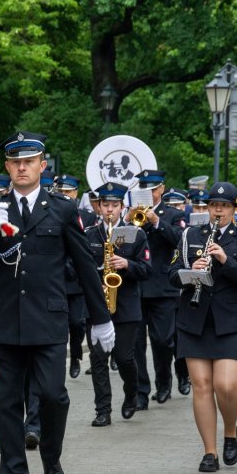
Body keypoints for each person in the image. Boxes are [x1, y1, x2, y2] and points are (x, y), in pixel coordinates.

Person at [0, 130, 114, 474]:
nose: (20, 167)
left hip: (47, 321)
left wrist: (101, 318)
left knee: (53, 396)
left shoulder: (62, 209)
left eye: (28, 161)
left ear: (42, 165)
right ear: (8, 167)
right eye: (15, 162)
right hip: (3, 321)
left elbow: (84, 266)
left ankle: (51, 457)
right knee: (8, 402)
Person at [170, 182, 237, 472]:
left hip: (230, 321)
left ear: (233, 209)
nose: (217, 211)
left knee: (226, 384)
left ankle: (231, 432)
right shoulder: (189, 235)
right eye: (213, 205)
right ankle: (210, 452)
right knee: (202, 386)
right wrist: (189, 273)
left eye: (223, 206)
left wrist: (224, 260)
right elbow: (171, 274)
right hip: (194, 319)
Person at [86, 182, 152, 426]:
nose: (110, 210)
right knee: (98, 358)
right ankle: (102, 410)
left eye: (115, 205)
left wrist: (127, 265)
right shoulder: (90, 236)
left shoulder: (137, 235)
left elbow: (147, 270)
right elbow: (75, 269)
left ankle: (131, 393)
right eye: (106, 205)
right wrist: (98, 270)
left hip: (126, 306)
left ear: (122, 207)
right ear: (99, 207)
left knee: (125, 358)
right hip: (96, 305)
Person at [131, 169, 188, 410]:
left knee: (164, 341)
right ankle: (141, 392)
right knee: (135, 344)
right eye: (144, 188)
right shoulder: (131, 214)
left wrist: (156, 222)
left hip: (163, 288)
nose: (149, 193)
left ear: (162, 189)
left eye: (153, 188)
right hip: (136, 286)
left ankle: (164, 381)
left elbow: (180, 240)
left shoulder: (174, 214)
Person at [55, 173, 95, 379]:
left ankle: (76, 354)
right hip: (59, 278)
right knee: (62, 324)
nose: (64, 195)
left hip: (77, 280)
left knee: (77, 322)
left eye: (68, 192)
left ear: (76, 193)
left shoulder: (87, 217)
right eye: (60, 192)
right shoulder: (51, 213)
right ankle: (64, 359)